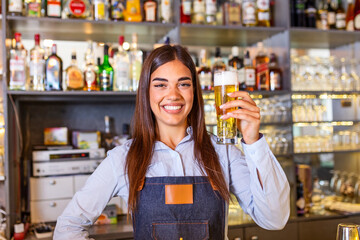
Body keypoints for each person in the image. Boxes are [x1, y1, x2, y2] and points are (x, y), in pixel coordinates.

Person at [54, 45, 290, 239]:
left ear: (194, 92)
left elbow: (274, 219)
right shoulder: (123, 158)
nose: (173, 94)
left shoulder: (224, 153)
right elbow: (67, 227)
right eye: (160, 84)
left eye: (183, 83)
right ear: (146, 92)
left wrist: (252, 141)